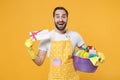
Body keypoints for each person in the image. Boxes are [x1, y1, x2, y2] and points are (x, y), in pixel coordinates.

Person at [25, 7, 105, 80]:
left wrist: (96, 55)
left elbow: (87, 52)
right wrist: (30, 51)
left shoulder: (75, 35)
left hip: (72, 78)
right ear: (53, 19)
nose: (60, 19)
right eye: (57, 16)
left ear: (67, 18)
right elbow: (39, 62)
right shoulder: (46, 37)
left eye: (63, 16)